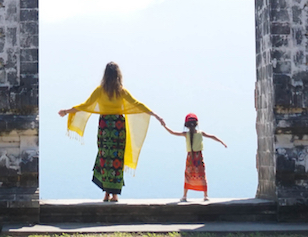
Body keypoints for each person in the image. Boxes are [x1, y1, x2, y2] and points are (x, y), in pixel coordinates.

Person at [58, 62, 165, 202]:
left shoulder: (100, 90)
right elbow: (137, 104)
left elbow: (85, 105)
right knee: (117, 159)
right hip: (118, 127)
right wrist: (155, 115)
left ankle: (107, 194)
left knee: (105, 158)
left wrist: (67, 111)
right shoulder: (121, 91)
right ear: (118, 75)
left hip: (105, 127)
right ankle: (114, 194)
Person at [161, 113, 226, 202]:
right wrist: (222, 142)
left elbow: (172, 132)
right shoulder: (200, 133)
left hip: (190, 158)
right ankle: (205, 196)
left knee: (188, 175)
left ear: (186, 125)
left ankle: (184, 196)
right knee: (202, 175)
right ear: (196, 124)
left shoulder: (185, 134)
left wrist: (164, 126)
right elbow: (213, 136)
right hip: (198, 157)